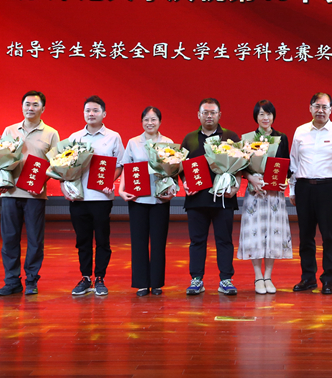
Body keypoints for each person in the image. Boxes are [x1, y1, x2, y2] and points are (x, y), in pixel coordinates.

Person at [0, 90, 60, 296]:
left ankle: (32, 280)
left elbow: (57, 164)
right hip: (10, 193)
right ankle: (12, 281)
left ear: (43, 108)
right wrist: (1, 181)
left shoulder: (51, 133)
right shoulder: (10, 130)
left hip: (34, 195)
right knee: (9, 240)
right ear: (22, 106)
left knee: (35, 240)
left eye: (35, 105)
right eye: (27, 104)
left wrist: (41, 181)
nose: (30, 108)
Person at [289, 92, 332, 295]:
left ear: (331, 110)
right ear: (310, 108)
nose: (320, 110)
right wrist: (292, 188)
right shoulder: (300, 131)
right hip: (304, 187)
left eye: (325, 107)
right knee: (305, 236)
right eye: (317, 106)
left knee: (329, 236)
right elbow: (293, 162)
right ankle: (308, 278)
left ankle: (328, 279)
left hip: (328, 188)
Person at [180, 98, 241, 296]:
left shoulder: (230, 137)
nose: (209, 116)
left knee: (224, 241)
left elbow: (241, 164)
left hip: (223, 198)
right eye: (205, 112)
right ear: (198, 115)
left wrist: (236, 187)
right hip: (196, 200)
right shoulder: (189, 139)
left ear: (219, 115)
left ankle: (226, 280)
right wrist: (185, 182)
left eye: (212, 112)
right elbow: (180, 166)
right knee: (197, 241)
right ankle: (196, 279)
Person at [66, 96, 124, 296]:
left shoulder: (113, 137)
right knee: (82, 240)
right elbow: (64, 165)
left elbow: (119, 165)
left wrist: (108, 181)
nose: (91, 114)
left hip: (101, 198)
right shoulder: (74, 138)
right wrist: (66, 188)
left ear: (104, 114)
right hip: (79, 198)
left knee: (102, 240)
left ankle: (100, 277)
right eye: (88, 110)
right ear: (83, 113)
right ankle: (85, 277)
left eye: (95, 110)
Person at [118, 106, 175, 297]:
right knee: (139, 241)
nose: (150, 123)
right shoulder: (133, 142)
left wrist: (172, 192)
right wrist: (121, 190)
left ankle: (157, 283)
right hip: (138, 199)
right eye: (146, 120)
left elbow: (173, 171)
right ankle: (142, 283)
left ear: (160, 122)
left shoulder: (168, 143)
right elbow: (127, 168)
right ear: (141, 122)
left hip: (160, 199)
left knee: (159, 242)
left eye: (153, 119)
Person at [239, 100, 293, 295]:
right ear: (256, 117)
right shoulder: (247, 139)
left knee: (273, 234)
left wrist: (284, 181)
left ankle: (268, 276)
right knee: (255, 234)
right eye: (261, 114)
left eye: (268, 114)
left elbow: (286, 165)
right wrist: (251, 178)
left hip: (274, 194)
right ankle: (257, 277)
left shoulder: (281, 137)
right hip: (255, 191)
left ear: (273, 116)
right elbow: (241, 166)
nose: (265, 118)